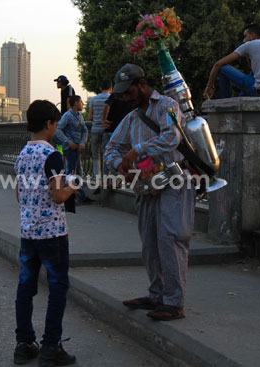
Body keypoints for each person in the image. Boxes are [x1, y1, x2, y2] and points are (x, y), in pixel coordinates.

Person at [104, 64, 194, 321]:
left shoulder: (167, 106)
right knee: (150, 243)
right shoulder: (131, 118)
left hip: (174, 182)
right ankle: (157, 294)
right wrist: (119, 164)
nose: (126, 98)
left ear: (142, 85)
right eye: (122, 94)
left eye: (129, 92)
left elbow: (171, 138)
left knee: (171, 239)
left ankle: (174, 301)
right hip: (146, 186)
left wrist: (137, 150)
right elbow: (111, 147)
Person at [13, 99, 77, 367]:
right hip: (52, 233)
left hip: (28, 233)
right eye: (55, 124)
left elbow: (18, 194)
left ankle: (24, 344)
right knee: (58, 286)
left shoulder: (22, 154)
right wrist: (74, 184)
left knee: (26, 287)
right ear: (49, 124)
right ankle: (51, 345)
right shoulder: (52, 155)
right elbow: (58, 195)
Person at [203, 23, 260, 99]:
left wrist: (209, 86)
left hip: (259, 91)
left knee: (223, 68)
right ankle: (240, 100)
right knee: (251, 76)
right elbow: (255, 72)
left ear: (252, 36)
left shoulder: (250, 45)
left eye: (245, 36)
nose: (243, 40)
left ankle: (227, 102)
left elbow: (218, 64)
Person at [54, 95, 88, 176]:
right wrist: (69, 142)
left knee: (78, 170)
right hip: (69, 148)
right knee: (71, 171)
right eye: (81, 102)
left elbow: (85, 130)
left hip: (77, 147)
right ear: (76, 103)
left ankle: (76, 187)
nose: (82, 104)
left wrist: (82, 143)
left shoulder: (80, 116)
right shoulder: (67, 116)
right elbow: (58, 129)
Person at [87, 80, 112, 180]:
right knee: (106, 153)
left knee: (95, 155)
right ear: (111, 88)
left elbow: (89, 117)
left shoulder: (93, 99)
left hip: (95, 130)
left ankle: (97, 177)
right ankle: (106, 176)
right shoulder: (110, 99)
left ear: (100, 88)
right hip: (107, 130)